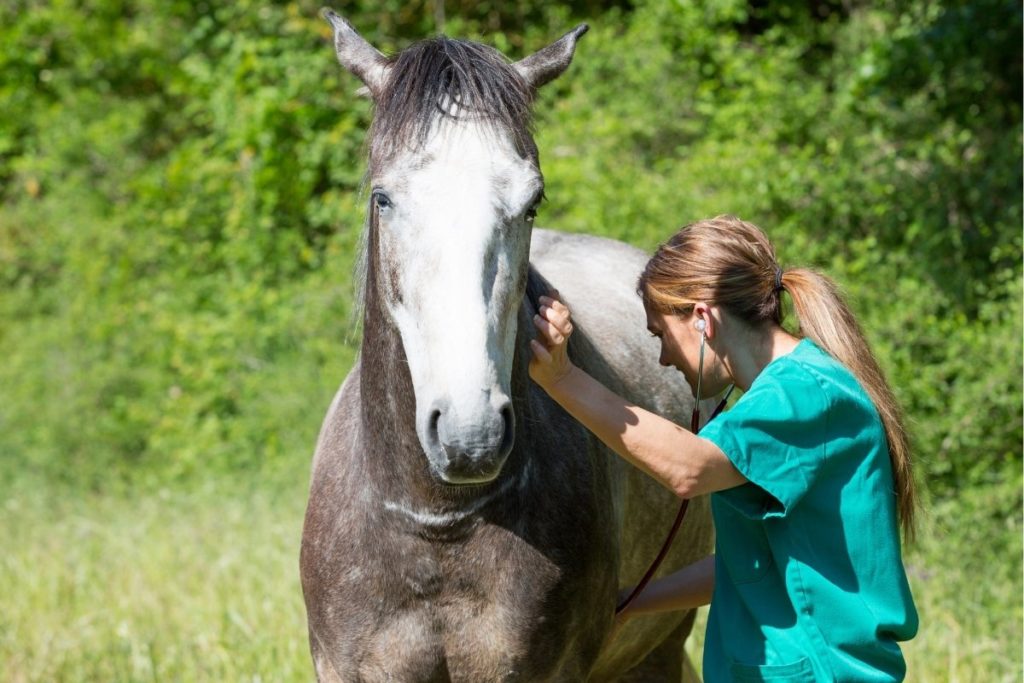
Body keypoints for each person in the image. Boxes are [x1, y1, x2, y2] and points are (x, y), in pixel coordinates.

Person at [529, 215, 918, 682]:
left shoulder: (804, 395)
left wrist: (563, 379)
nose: (663, 358)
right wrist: (631, 603)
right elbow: (748, 562)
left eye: (660, 335)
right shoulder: (782, 396)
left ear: (701, 317)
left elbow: (688, 469)